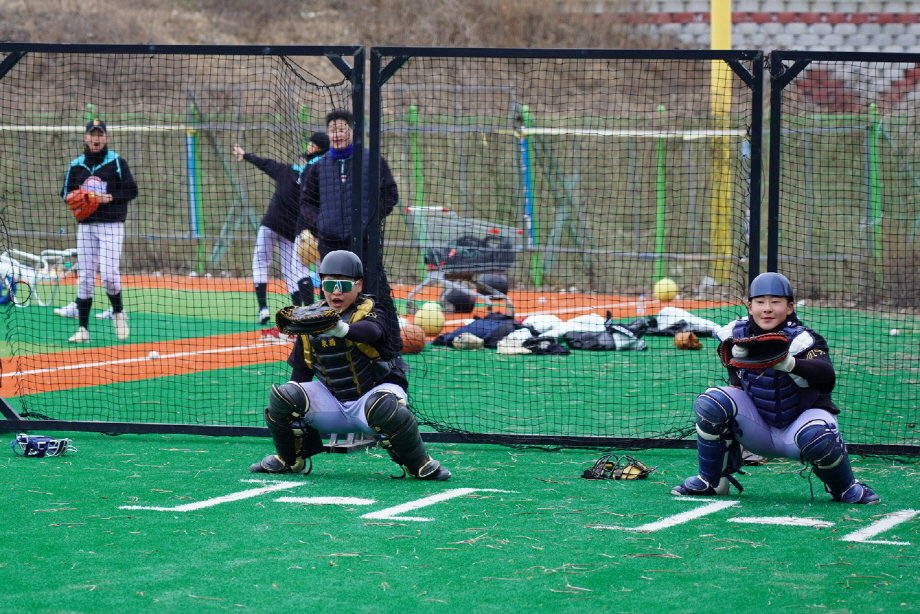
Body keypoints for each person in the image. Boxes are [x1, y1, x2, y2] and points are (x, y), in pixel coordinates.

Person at [671, 272, 879, 504]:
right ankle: (712, 481)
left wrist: (791, 364)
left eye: (775, 302)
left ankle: (844, 487)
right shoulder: (733, 335)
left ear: (789, 307)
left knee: (819, 435)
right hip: (757, 430)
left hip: (799, 431)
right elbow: (736, 383)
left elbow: (827, 378)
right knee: (711, 402)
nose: (767, 308)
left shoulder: (803, 339)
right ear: (750, 307)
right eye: (760, 302)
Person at [249, 250, 450, 480]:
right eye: (329, 284)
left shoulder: (374, 309)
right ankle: (289, 460)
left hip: (371, 400)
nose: (336, 291)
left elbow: (373, 332)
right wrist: (289, 406)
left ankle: (419, 464)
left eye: (343, 285)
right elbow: (301, 373)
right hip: (333, 403)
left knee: (384, 405)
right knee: (284, 394)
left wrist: (342, 330)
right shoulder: (310, 319)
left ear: (358, 285)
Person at [298, 109, 403, 359]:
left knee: (375, 289)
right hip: (331, 240)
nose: (337, 134)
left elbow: (390, 194)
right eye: (332, 129)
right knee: (332, 291)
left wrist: (369, 220)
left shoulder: (371, 160)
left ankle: (390, 346)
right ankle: (329, 340)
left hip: (365, 241)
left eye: (342, 129)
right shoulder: (319, 166)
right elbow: (306, 202)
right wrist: (320, 224)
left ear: (352, 132)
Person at [233, 132, 329, 324]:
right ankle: (303, 310)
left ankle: (264, 308)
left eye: (310, 145)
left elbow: (267, 164)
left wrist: (245, 156)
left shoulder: (291, 171)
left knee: (263, 262)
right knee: (294, 270)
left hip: (274, 225)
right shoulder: (322, 171)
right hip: (293, 231)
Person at [60, 119, 138, 343]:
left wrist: (108, 197)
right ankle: (83, 329)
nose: (97, 138)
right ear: (86, 138)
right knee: (84, 277)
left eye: (100, 134)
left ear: (106, 137)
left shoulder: (116, 162)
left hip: (111, 225)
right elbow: (65, 193)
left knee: (110, 276)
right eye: (93, 134)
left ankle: (118, 312)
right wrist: (80, 200)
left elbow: (132, 190)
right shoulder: (76, 165)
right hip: (86, 226)